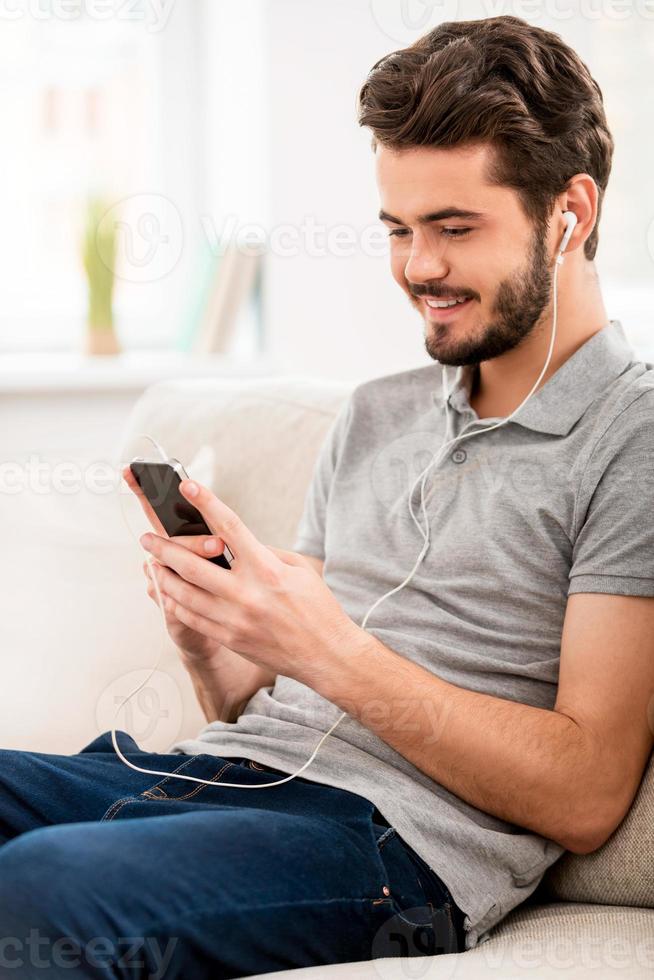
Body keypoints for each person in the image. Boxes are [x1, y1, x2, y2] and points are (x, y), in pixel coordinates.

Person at [1, 14, 653, 979]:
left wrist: (326, 646)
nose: (417, 267)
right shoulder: (376, 416)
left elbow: (589, 793)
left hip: (387, 844)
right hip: (222, 778)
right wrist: (216, 641)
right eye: (399, 229)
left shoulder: (629, 439)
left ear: (571, 213)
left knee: (44, 886)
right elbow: (253, 704)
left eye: (455, 228)